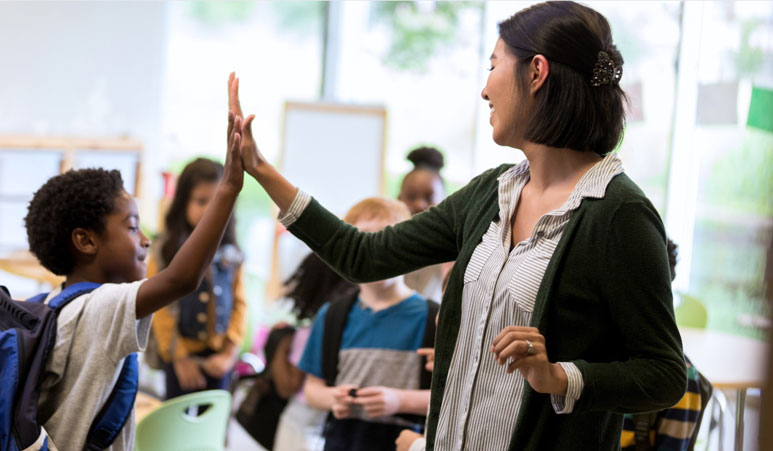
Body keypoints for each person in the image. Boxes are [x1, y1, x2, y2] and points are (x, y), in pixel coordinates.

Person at [228, 1, 686, 448]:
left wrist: (558, 375)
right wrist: (262, 169)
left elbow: (664, 373)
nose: (485, 90)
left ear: (536, 72)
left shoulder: (618, 213)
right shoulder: (490, 193)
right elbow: (363, 255)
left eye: (493, 66)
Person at [25, 110, 245, 450]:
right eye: (131, 227)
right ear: (86, 241)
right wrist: (229, 188)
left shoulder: (59, 302)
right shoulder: (99, 307)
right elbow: (180, 280)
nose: (145, 240)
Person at [296, 197, 434, 451]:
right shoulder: (332, 316)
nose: (374, 253)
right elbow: (312, 388)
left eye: (384, 240)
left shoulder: (434, 319)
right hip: (343, 441)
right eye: (362, 242)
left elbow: (455, 398)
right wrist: (332, 399)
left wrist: (400, 400)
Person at [148, 157, 247, 399]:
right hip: (180, 358)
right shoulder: (164, 251)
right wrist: (179, 357)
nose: (209, 210)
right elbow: (159, 308)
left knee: (213, 427)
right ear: (183, 202)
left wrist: (230, 353)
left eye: (217, 202)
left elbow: (240, 303)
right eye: (201, 201)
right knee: (176, 423)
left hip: (219, 359)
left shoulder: (232, 252)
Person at [272, 252, 358, 450]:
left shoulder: (309, 333)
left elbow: (289, 385)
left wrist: (282, 346)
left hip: (303, 419)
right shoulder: (348, 325)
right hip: (325, 421)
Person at [398, 146, 450, 303]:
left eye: (429, 197)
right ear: (399, 199)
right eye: (411, 196)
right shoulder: (388, 243)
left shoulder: (452, 250)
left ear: (446, 200)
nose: (420, 204)